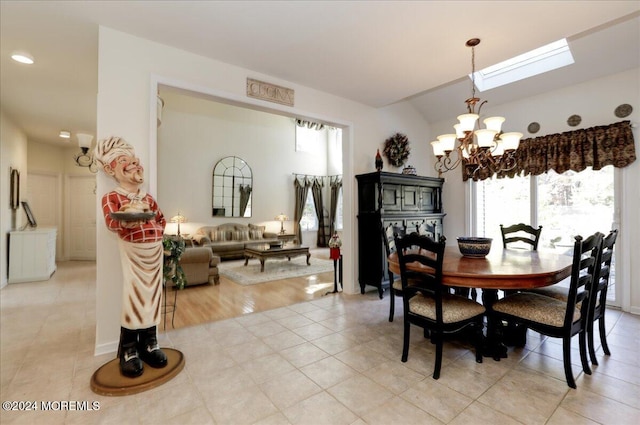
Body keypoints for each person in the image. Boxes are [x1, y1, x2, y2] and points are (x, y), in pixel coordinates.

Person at [94, 136, 168, 377]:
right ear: (110, 169)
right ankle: (128, 350)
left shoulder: (148, 198)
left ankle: (150, 343)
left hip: (154, 252)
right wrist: (131, 221)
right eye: (124, 160)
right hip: (133, 253)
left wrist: (156, 230)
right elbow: (111, 222)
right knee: (133, 298)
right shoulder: (112, 197)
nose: (134, 164)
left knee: (154, 297)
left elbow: (161, 219)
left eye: (134, 160)